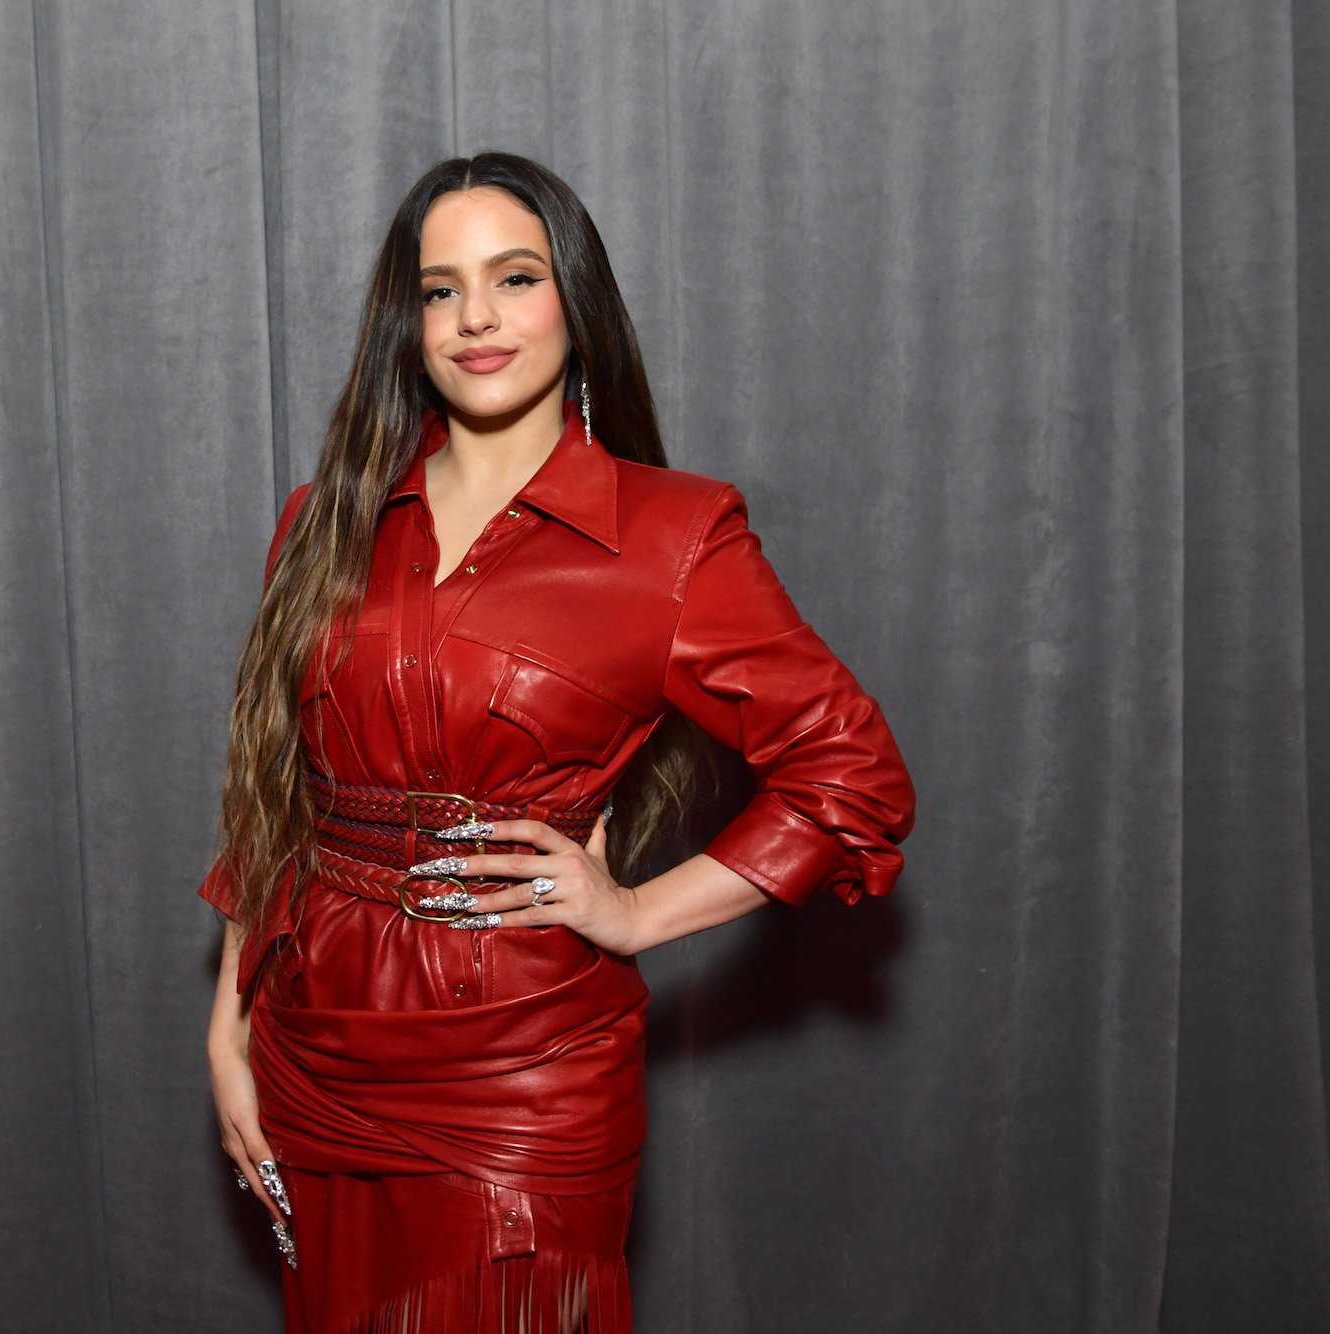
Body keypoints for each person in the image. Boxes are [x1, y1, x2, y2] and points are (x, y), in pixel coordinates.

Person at [198, 150, 916, 1332]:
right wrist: (226, 1033)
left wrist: (633, 910)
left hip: (521, 1071)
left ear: (573, 301)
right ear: (408, 320)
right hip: (315, 1050)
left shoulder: (672, 535)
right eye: (439, 289)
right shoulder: (323, 517)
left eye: (513, 276)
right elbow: (275, 796)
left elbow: (850, 774)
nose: (474, 316)